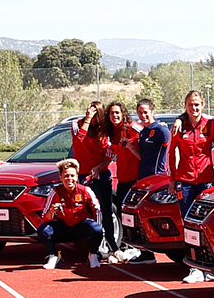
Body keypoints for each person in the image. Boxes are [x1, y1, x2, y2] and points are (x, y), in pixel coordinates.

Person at [169, 90, 214, 283]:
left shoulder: (211, 125)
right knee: (189, 225)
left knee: (206, 224)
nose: (194, 108)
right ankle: (194, 267)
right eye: (190, 105)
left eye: (197, 104)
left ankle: (210, 267)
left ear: (202, 105)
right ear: (185, 106)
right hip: (186, 182)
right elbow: (171, 153)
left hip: (206, 181)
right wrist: (173, 179)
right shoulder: (179, 127)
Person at [123, 99, 170, 265]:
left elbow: (172, 149)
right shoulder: (143, 132)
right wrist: (130, 147)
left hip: (157, 178)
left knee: (155, 215)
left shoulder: (161, 130)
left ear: (152, 111)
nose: (143, 115)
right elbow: (143, 157)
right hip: (143, 178)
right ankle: (146, 252)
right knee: (140, 214)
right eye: (140, 112)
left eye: (145, 112)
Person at [37, 158, 105, 270]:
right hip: (64, 226)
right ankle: (54, 255)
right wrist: (52, 211)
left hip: (81, 225)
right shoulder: (55, 192)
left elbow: (97, 209)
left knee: (97, 230)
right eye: (66, 176)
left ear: (77, 177)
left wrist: (98, 229)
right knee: (43, 230)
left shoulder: (85, 190)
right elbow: (45, 217)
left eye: (72, 176)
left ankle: (93, 254)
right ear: (61, 177)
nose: (69, 179)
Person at [71, 101, 117, 256]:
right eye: (91, 112)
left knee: (107, 209)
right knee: (96, 209)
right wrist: (88, 119)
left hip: (102, 173)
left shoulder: (104, 130)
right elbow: (78, 140)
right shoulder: (77, 124)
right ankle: (95, 247)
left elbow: (108, 154)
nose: (94, 117)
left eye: (97, 114)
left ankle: (113, 244)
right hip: (85, 174)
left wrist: (99, 167)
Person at [103, 101, 142, 213]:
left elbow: (147, 134)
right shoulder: (110, 131)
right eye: (112, 113)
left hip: (136, 179)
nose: (114, 115)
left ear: (123, 113)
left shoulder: (133, 127)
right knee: (122, 213)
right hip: (122, 180)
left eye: (117, 112)